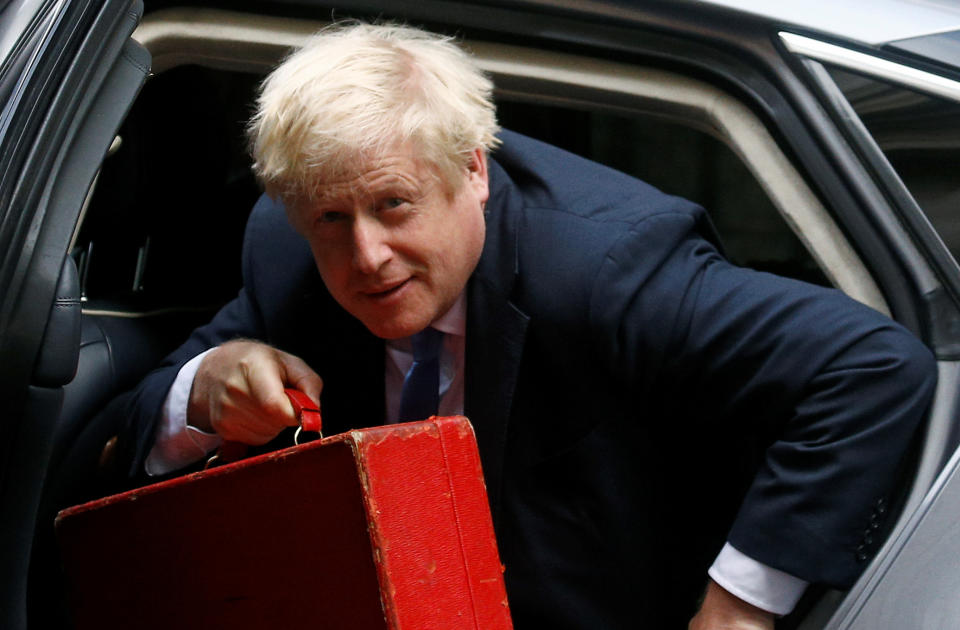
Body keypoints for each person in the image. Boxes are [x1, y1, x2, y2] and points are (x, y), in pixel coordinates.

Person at [117, 22, 936, 629]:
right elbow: (131, 434)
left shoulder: (607, 267)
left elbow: (872, 366)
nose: (366, 255)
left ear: (473, 169)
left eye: (393, 204)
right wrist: (203, 390)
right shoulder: (285, 248)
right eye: (331, 217)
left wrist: (733, 615)